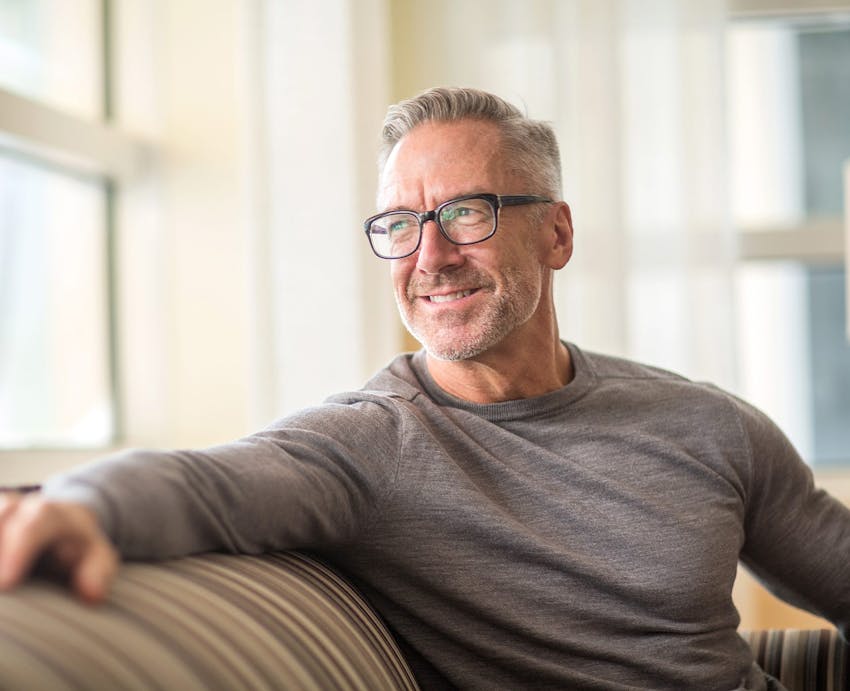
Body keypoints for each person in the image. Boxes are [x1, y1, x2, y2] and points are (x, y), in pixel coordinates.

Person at [0, 86, 848, 690]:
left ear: (556, 231)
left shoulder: (706, 423)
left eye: (466, 213)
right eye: (399, 225)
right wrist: (81, 504)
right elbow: (210, 480)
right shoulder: (370, 446)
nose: (430, 258)